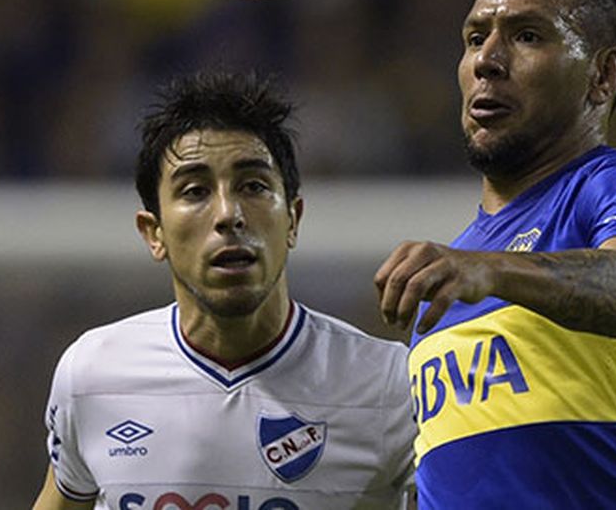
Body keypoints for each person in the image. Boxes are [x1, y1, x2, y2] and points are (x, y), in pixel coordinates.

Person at [375, 0, 616, 509]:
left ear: (602, 76)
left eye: (528, 35)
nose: (487, 59)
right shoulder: (451, 276)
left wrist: (489, 270)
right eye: (475, 37)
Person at [32, 71, 416, 510]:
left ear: (292, 219)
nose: (228, 214)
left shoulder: (388, 386)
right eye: (195, 191)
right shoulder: (92, 374)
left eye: (253, 186)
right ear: (153, 232)